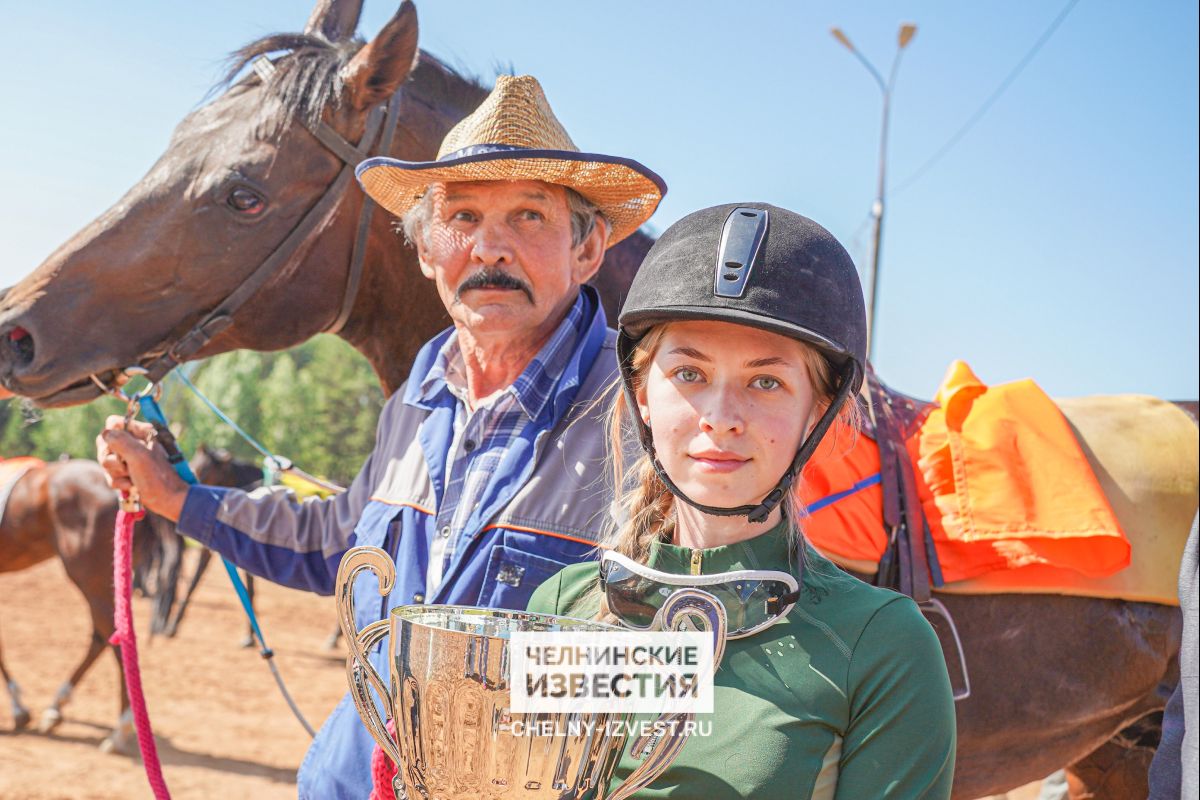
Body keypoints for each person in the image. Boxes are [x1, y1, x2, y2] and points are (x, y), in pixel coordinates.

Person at [95, 74, 665, 799]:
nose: (490, 247)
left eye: (528, 216)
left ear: (587, 253)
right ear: (427, 250)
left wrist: (486, 686)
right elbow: (339, 542)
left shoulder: (650, 415)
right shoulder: (419, 395)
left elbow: (693, 665)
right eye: (460, 217)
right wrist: (177, 498)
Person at [524, 203, 957, 798]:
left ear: (819, 416)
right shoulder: (560, 603)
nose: (721, 419)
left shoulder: (882, 647)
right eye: (690, 374)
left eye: (766, 382)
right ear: (643, 393)